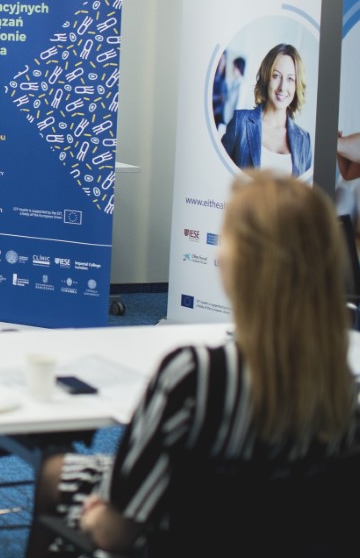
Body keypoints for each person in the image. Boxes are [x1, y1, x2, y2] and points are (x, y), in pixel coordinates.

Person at [25, 170, 360, 556]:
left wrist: (95, 517)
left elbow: (117, 533)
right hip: (282, 533)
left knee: (56, 476)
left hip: (175, 534)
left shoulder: (196, 376)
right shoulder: (342, 387)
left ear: (246, 263)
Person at [220, 43, 311, 176]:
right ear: (266, 77)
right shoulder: (241, 123)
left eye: (290, 79)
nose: (282, 87)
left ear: (297, 86)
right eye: (276, 76)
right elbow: (217, 174)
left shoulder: (304, 140)